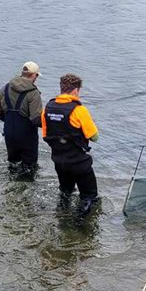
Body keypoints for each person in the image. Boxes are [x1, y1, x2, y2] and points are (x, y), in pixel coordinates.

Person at [42, 73, 99, 215]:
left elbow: (45, 135)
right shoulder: (79, 110)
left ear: (61, 88)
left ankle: (62, 217)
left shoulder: (48, 108)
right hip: (79, 162)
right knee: (89, 197)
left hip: (59, 161)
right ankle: (81, 226)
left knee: (65, 192)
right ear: (76, 90)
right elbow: (94, 137)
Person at [0, 61, 43, 178]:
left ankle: (10, 192)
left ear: (22, 73)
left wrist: (10, 121)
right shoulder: (33, 93)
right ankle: (24, 194)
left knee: (13, 165)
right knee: (29, 169)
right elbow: (36, 120)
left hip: (9, 133)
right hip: (27, 136)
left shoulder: (6, 87)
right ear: (34, 75)